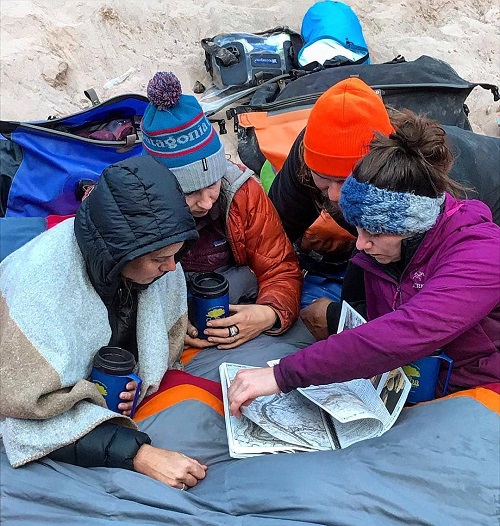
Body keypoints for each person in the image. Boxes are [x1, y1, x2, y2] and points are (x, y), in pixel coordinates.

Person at [228, 110, 500, 417]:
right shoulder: (382, 253)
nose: (360, 244)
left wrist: (282, 375)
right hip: (414, 393)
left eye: (374, 232)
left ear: (414, 225)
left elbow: (406, 331)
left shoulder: (480, 252)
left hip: (483, 395)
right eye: (357, 229)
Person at [0, 156, 210, 490]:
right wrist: (138, 455)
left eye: (177, 254)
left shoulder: (154, 257)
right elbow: (27, 411)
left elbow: (143, 317)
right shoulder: (39, 289)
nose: (173, 268)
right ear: (118, 253)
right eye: (160, 260)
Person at [141, 71, 302, 350]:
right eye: (189, 193)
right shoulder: (137, 204)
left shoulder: (242, 194)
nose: (205, 202)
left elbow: (280, 267)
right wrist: (170, 324)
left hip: (231, 301)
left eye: (212, 185)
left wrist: (268, 314)